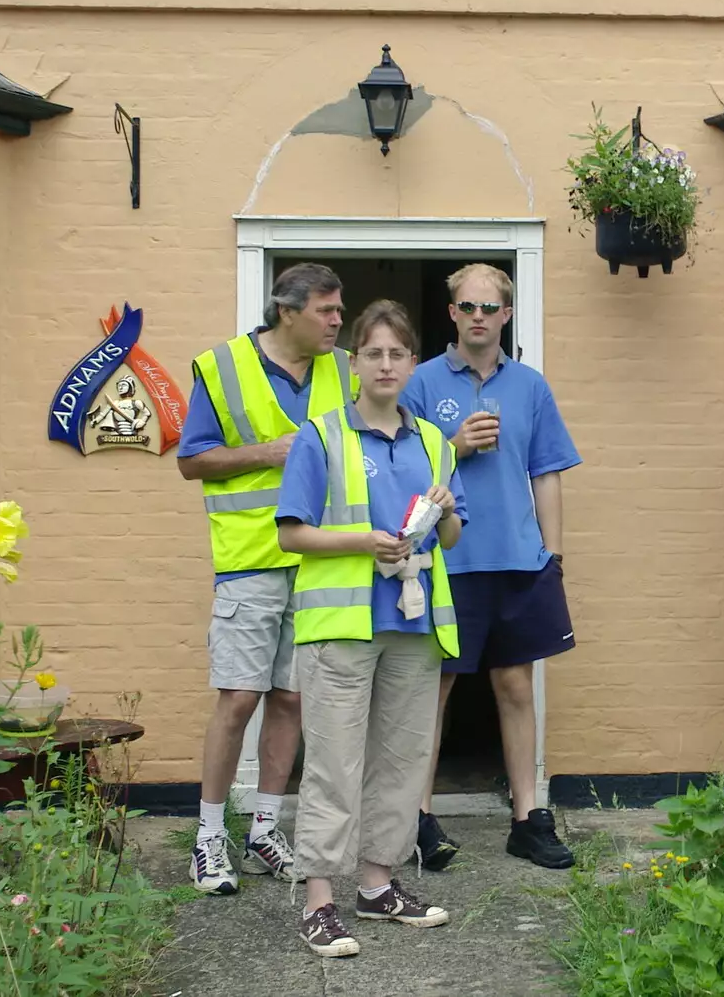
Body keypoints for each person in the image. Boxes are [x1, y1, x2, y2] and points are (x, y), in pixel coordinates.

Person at [275, 299, 466, 957]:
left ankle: (378, 885)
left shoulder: (436, 442)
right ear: (353, 363)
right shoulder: (321, 435)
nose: (386, 364)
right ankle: (320, 901)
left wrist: (444, 510)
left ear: (414, 363)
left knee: (401, 761)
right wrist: (363, 541)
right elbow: (292, 532)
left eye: (398, 353)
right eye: (374, 354)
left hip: (414, 625)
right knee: (333, 764)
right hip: (340, 625)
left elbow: (453, 532)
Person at [176, 262, 356, 895]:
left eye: (339, 311)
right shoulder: (221, 368)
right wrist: (267, 452)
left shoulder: (344, 370)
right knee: (238, 699)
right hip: (249, 561)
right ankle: (207, 838)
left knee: (292, 699)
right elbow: (192, 460)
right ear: (288, 312)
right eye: (327, 311)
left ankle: (263, 830)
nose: (338, 321)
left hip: (317, 562)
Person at [403, 263, 582, 870]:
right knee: (435, 688)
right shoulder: (421, 383)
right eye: (467, 307)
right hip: (447, 561)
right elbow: (401, 468)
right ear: (451, 313)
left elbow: (547, 471)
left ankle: (528, 819)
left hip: (517, 560)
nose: (478, 317)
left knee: (515, 685)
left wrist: (552, 555)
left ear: (507, 314)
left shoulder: (530, 386)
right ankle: (418, 819)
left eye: (490, 308)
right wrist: (452, 446)